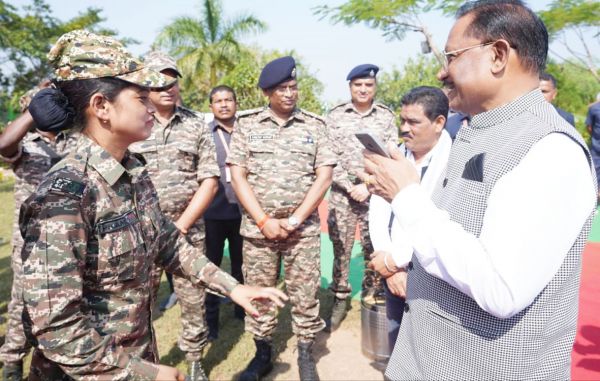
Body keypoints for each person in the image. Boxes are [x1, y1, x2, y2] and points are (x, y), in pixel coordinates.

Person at [18, 29, 287, 381]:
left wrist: (233, 287)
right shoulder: (66, 195)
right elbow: (55, 327)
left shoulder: (131, 173)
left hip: (136, 357)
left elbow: (168, 242)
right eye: (141, 98)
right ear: (101, 106)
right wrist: (142, 373)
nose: (152, 107)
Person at [363, 1, 596, 379]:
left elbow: (500, 288)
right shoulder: (474, 130)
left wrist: (407, 196)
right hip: (422, 361)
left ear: (499, 55)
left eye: (452, 56)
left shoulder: (550, 150)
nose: (442, 71)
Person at [227, 56, 336, 381]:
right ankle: (262, 355)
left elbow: (325, 174)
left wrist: (297, 218)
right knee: (260, 293)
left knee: (305, 293)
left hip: (301, 231)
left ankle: (305, 353)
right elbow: (237, 175)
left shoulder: (314, 125)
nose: (290, 94)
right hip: (259, 231)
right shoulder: (247, 125)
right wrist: (263, 220)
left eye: (293, 87)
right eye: (282, 89)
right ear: (267, 92)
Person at [129, 50, 219, 380]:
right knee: (139, 302)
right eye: (159, 81)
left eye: (173, 80)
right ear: (145, 86)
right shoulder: (134, 122)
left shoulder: (196, 124)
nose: (168, 87)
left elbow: (209, 180)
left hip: (187, 230)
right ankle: (143, 362)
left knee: (193, 297)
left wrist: (180, 226)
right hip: (141, 232)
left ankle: (195, 360)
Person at [0, 82, 80, 381]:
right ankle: (11, 359)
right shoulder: (25, 144)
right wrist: (36, 109)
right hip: (30, 243)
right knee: (23, 301)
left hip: (71, 238)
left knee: (68, 301)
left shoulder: (73, 138)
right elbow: (4, 145)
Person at [367, 86, 451, 353]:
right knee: (395, 350)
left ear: (439, 123)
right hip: (393, 273)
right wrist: (389, 266)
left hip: (432, 276)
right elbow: (378, 210)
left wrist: (396, 262)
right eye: (402, 120)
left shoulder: (455, 163)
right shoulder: (395, 157)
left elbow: (438, 225)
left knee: (430, 353)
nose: (404, 128)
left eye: (413, 122)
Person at [325, 63, 398, 332]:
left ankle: (373, 294)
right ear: (350, 87)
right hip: (342, 196)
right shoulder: (334, 116)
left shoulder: (386, 117)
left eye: (368, 85)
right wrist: (349, 186)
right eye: (358, 85)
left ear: (375, 86)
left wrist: (368, 187)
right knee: (340, 250)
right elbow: (328, 157)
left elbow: (391, 155)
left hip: (376, 194)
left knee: (374, 245)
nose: (363, 89)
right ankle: (339, 298)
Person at [204, 85, 245, 341]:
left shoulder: (248, 132)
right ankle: (211, 321)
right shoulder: (205, 134)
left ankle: (242, 311)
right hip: (213, 214)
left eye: (228, 99)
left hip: (244, 213)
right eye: (218, 101)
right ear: (211, 106)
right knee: (212, 268)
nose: (224, 104)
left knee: (243, 266)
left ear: (235, 103)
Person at [586, 92, 600, 197]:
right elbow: (589, 127)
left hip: (596, 143)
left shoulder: (593, 108)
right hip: (596, 147)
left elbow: (589, 128)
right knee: (594, 172)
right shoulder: (594, 108)